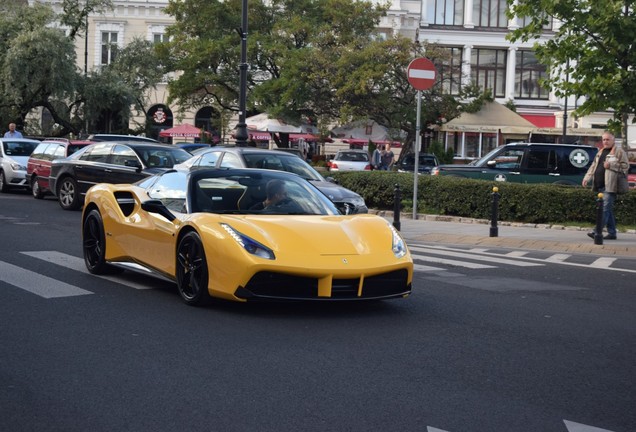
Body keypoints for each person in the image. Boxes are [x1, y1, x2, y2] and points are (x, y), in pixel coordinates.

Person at [582, 131, 629, 240]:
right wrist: (586, 178)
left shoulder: (619, 151)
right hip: (600, 185)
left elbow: (625, 167)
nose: (605, 141)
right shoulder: (600, 151)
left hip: (610, 186)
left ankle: (597, 231)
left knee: (604, 209)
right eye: (603, 139)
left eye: (608, 139)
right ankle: (612, 233)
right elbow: (593, 166)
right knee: (608, 210)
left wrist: (611, 165)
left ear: (613, 140)